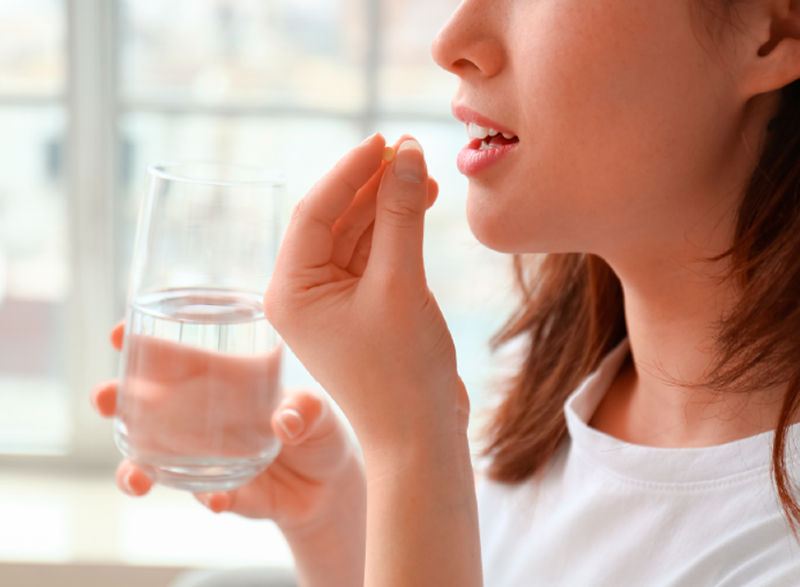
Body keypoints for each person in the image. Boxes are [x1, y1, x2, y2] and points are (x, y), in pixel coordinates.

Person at [92, 0, 800, 584]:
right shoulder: (558, 376)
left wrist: (412, 442)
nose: (451, 40)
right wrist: (337, 512)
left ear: (771, 29)